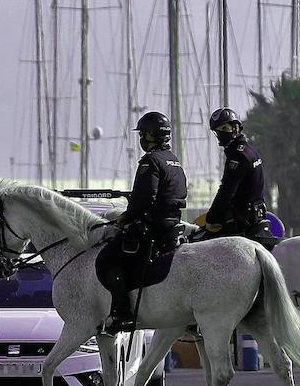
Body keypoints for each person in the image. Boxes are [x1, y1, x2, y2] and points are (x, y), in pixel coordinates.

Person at [103, 111, 189, 333]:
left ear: (152, 135)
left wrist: (124, 218)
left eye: (143, 134)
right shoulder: (174, 161)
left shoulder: (150, 161)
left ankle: (121, 312)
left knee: (107, 258)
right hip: (173, 224)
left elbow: (144, 199)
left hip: (154, 228)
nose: (141, 138)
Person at [203, 107, 277, 249]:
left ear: (236, 127)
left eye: (225, 128)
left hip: (243, 221)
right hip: (257, 214)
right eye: (218, 131)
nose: (221, 133)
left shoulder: (237, 156)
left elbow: (227, 191)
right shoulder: (249, 149)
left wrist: (211, 218)